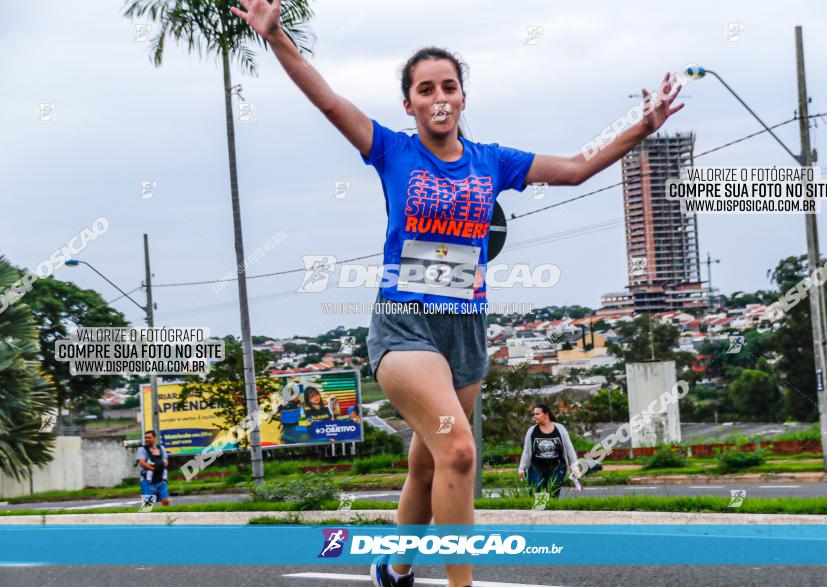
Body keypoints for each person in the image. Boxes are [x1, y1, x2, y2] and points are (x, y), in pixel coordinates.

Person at [231, 2, 684, 584]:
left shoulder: (493, 162)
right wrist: (277, 38)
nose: (438, 96)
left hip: (465, 333)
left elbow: (574, 168)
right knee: (461, 452)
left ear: (463, 97)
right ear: (410, 103)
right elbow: (327, 100)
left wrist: (641, 128)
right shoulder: (392, 150)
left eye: (449, 85)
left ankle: (393, 564)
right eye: (425, 88)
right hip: (405, 328)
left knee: (428, 464)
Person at [518, 405, 581, 498]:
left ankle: (551, 511)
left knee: (553, 493)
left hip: (557, 467)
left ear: (546, 414)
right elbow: (526, 451)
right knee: (537, 493)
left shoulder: (560, 429)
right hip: (536, 468)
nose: (534, 416)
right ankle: (539, 512)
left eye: (537, 414)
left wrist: (574, 465)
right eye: (534, 414)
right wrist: (522, 468)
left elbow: (569, 448)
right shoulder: (532, 431)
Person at [136, 430, 170, 507]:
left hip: (161, 480)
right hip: (147, 481)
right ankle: (147, 518)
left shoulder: (161, 448)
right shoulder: (142, 449)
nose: (147, 439)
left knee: (165, 502)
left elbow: (166, 461)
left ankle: (166, 517)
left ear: (154, 438)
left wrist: (163, 466)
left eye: (149, 437)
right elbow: (142, 463)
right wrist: (154, 469)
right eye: (146, 438)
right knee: (148, 505)